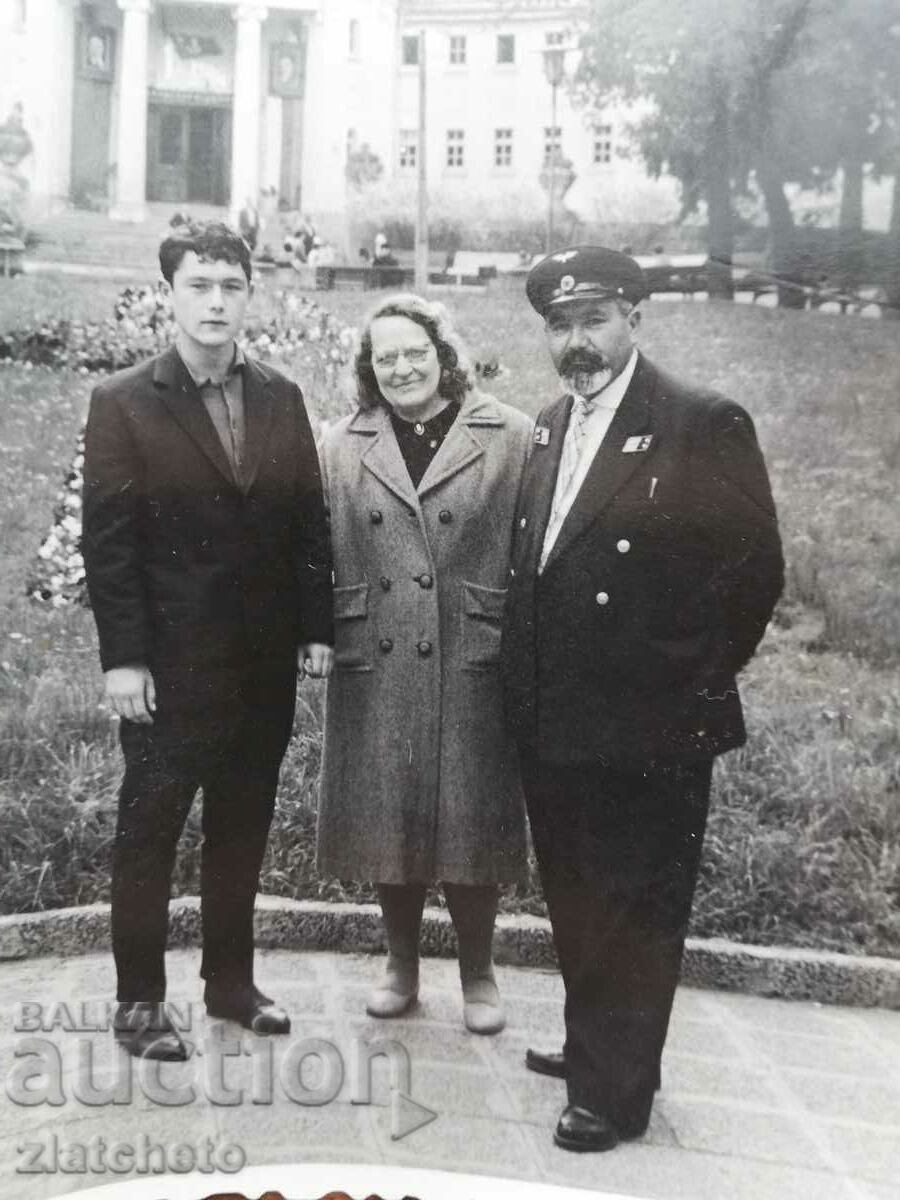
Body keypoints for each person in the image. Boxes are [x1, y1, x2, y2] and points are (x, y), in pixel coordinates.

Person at [501, 246, 784, 1151]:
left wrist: (688, 679)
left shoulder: (698, 422)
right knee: (578, 893)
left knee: (636, 904)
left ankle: (613, 1096)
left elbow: (755, 573)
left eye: (594, 321)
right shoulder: (550, 424)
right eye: (560, 325)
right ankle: (598, 1049)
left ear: (635, 319)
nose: (576, 342)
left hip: (652, 723)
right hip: (557, 718)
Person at [82, 220, 333, 1059]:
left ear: (250, 294)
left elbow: (307, 524)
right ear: (170, 294)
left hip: (261, 668)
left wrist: (316, 630)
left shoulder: (281, 397)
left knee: (242, 827)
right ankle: (139, 1001)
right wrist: (124, 658)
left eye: (231, 286)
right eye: (199, 285)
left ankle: (229, 981)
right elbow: (109, 543)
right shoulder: (122, 402)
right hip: (169, 669)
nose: (216, 302)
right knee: (150, 829)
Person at [316, 294, 531, 1034]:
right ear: (369, 371)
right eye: (386, 357)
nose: (402, 367)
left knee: (472, 811)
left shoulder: (508, 434)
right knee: (389, 807)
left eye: (416, 352)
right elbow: (313, 547)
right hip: (376, 647)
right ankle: (400, 964)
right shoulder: (340, 442)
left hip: (473, 648)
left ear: (444, 355)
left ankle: (480, 971)